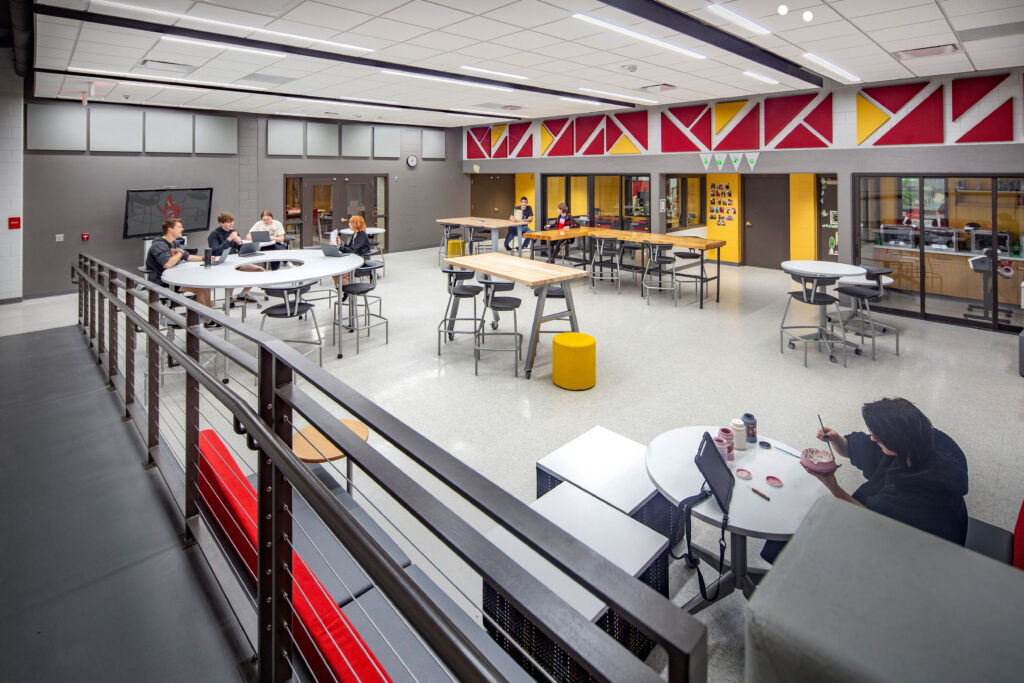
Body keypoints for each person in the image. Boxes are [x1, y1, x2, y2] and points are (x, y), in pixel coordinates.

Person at [761, 397, 969, 563]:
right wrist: (837, 440)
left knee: (787, 542)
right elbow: (860, 447)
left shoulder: (919, 492)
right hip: (888, 521)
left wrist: (832, 484)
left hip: (912, 551)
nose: (872, 438)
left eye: (877, 436)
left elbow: (866, 517)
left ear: (896, 441)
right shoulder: (921, 440)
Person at [146, 217, 214, 321]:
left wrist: (205, 258)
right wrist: (180, 253)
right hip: (163, 282)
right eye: (179, 227)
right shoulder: (158, 245)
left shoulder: (174, 243)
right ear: (170, 229)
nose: (182, 229)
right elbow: (167, 264)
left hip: (176, 279)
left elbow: (187, 256)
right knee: (200, 289)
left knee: (204, 287)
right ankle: (204, 320)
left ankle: (209, 320)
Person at [207, 211, 263, 304]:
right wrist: (229, 239)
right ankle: (229, 297)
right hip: (221, 263)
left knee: (259, 270)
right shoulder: (214, 235)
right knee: (232, 273)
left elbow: (241, 251)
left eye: (232, 221)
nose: (231, 224)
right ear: (221, 223)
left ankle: (243, 294)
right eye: (228, 222)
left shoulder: (234, 232)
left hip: (235, 261)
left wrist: (240, 243)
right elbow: (215, 252)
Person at [332, 215, 373, 291]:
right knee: (335, 274)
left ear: (356, 224)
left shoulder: (362, 235)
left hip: (359, 261)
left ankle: (347, 292)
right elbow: (350, 247)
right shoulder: (355, 234)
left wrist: (338, 247)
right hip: (353, 258)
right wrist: (341, 243)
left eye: (351, 223)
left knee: (337, 275)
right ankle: (346, 291)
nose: (349, 224)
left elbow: (352, 250)